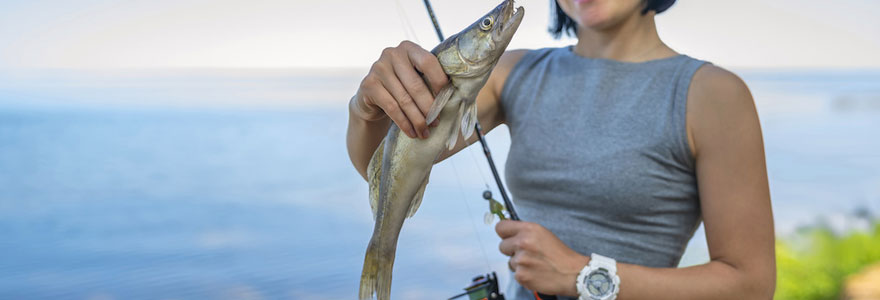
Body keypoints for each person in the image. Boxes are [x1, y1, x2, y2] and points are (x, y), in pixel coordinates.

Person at [346, 0, 776, 299]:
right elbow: (383, 168)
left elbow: (751, 285)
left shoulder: (714, 94)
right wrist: (366, 111)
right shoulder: (512, 72)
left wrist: (582, 274)